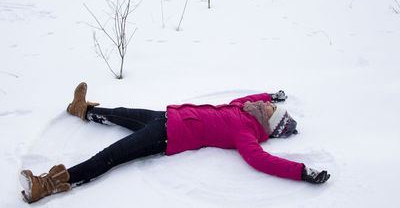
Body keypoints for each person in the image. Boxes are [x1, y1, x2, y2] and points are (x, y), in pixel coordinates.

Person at [19, 82, 330, 203]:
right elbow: (251, 97)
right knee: (122, 113)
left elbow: (261, 160)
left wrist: (300, 171)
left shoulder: (246, 134)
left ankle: (48, 184)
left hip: (167, 136)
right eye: (271, 106)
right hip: (165, 116)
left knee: (111, 155)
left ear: (268, 124)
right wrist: (270, 95)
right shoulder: (243, 107)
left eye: (271, 111)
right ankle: (83, 110)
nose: (266, 107)